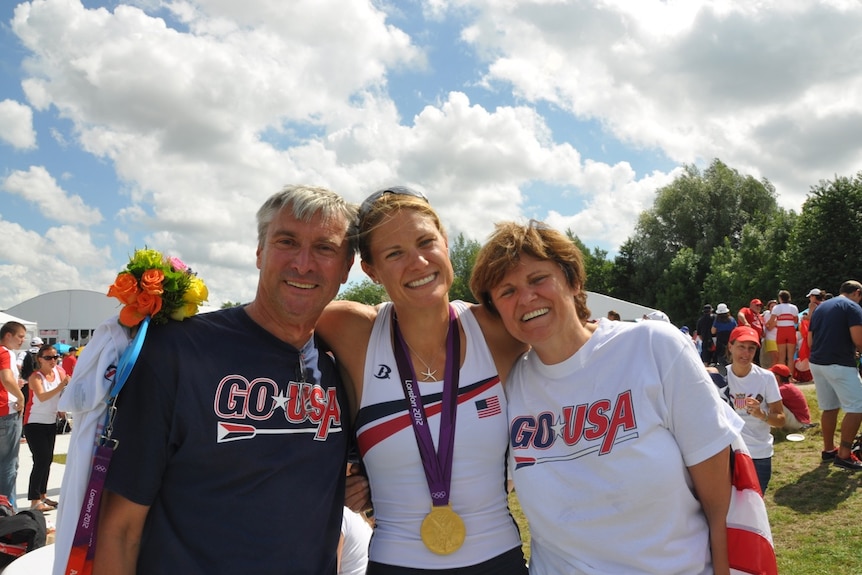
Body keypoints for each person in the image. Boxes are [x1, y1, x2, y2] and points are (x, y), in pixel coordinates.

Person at [93, 185, 358, 574]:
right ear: (259, 252)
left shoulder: (340, 370)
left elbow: (326, 513)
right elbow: (119, 528)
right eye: (286, 241)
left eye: (325, 248)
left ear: (347, 267)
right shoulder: (178, 352)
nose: (303, 264)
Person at [470, 221, 744, 575]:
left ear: (573, 281)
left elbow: (719, 501)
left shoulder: (652, 347)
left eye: (538, 279)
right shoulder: (507, 385)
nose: (525, 298)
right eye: (506, 292)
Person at [316, 187, 528, 574]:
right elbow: (266, 323)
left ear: (445, 243)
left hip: (499, 560)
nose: (417, 262)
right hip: (396, 563)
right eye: (394, 253)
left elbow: (579, 343)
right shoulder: (348, 329)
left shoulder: (498, 330)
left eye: (426, 242)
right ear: (371, 270)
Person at [807, 280, 862, 470]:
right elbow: (859, 339)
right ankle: (845, 455)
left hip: (817, 361)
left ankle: (829, 449)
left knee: (829, 407)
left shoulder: (820, 308)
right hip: (839, 363)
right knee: (857, 407)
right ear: (857, 293)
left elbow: (810, 339)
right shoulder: (852, 308)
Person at [725, 326, 784, 493]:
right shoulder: (719, 377)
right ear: (730, 347)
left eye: (751, 348)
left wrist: (761, 415)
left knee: (754, 508)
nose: (746, 353)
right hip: (727, 454)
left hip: (758, 454)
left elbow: (780, 419)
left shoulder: (766, 377)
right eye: (741, 347)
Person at [23, 344, 70, 511]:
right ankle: (34, 501)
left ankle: (42, 495)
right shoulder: (35, 377)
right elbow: (42, 397)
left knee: (47, 460)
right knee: (41, 460)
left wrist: (63, 409)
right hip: (34, 422)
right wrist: (61, 385)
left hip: (50, 422)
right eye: (48, 357)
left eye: (56, 356)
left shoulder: (59, 372)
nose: (53, 360)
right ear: (39, 359)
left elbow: (65, 391)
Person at [0, 322, 27, 510]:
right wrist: (20, 396)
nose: (22, 341)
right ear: (8, 335)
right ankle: (8, 510)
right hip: (7, 411)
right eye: (20, 336)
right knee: (9, 465)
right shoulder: (6, 352)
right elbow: (6, 379)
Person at [769, 364, 812, 432]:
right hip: (800, 421)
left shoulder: (784, 389)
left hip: (800, 424)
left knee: (771, 403)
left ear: (777, 377)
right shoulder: (787, 387)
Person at [771, 290, 799, 371]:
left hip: (781, 331)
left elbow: (772, 320)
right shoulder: (794, 307)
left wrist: (768, 325)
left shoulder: (776, 308)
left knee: (781, 357)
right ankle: (791, 377)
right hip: (790, 330)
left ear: (780, 298)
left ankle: (783, 377)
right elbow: (796, 321)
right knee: (791, 357)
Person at [737, 298, 765, 365]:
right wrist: (745, 323)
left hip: (757, 339)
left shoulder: (759, 316)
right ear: (751, 305)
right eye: (757, 305)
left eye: (760, 306)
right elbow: (740, 315)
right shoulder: (746, 310)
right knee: (747, 356)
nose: (759, 307)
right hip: (748, 338)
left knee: (756, 358)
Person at [761, 300, 779, 369]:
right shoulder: (768, 315)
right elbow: (769, 328)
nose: (774, 308)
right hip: (770, 339)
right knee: (775, 358)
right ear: (769, 308)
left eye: (775, 306)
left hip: (778, 339)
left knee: (777, 358)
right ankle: (771, 373)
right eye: (772, 306)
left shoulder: (778, 315)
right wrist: (776, 322)